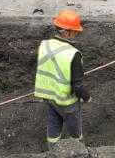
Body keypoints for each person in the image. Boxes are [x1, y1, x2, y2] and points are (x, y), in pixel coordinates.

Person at [34, 10, 91, 150]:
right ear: (66, 32)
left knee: (53, 126)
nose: (76, 34)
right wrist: (87, 97)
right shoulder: (73, 54)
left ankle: (52, 151)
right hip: (67, 103)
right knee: (75, 131)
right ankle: (79, 150)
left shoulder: (45, 45)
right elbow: (77, 86)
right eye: (74, 31)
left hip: (50, 98)